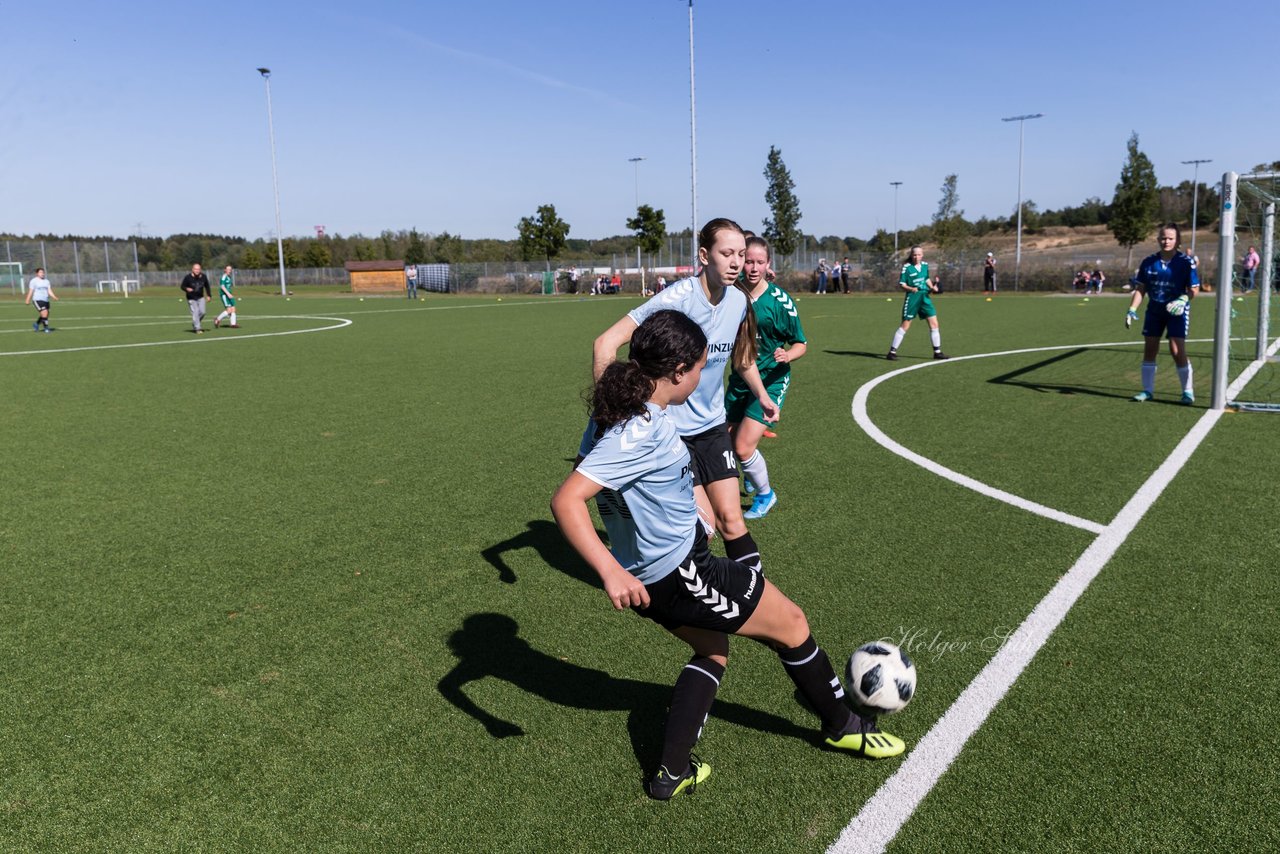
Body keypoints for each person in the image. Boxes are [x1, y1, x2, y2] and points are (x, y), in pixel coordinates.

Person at [554, 310, 905, 801]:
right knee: (793, 624)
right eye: (700, 366)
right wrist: (609, 571)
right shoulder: (637, 430)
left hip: (656, 573)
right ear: (678, 370)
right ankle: (844, 724)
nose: (702, 377)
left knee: (712, 651)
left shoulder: (620, 417)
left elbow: (640, 486)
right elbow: (567, 500)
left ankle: (671, 773)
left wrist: (691, 511)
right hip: (680, 574)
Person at [591, 218, 778, 575]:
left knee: (732, 521)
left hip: (710, 428)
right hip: (670, 435)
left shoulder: (738, 300)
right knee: (700, 531)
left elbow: (740, 357)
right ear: (705, 256)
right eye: (727, 253)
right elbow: (606, 343)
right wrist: (612, 409)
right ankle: (660, 585)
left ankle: (756, 598)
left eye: (741, 253)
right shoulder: (675, 300)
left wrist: (762, 394)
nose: (737, 262)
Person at [726, 236, 806, 520]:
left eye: (760, 262)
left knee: (743, 446)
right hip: (739, 377)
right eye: (749, 261)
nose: (753, 267)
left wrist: (789, 355)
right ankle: (751, 469)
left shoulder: (781, 302)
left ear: (768, 264)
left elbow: (801, 343)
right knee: (728, 440)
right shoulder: (731, 292)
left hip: (771, 379)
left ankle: (765, 494)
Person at [1125, 223, 1199, 404]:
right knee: (1150, 349)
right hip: (1154, 311)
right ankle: (1147, 391)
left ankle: (1187, 392)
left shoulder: (1185, 262)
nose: (1166, 241)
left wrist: (1183, 300)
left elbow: (1194, 289)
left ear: (1177, 240)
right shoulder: (1148, 262)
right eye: (1163, 238)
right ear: (1158, 240)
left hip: (1177, 312)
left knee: (1176, 350)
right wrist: (1132, 309)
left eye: (1170, 238)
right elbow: (1141, 289)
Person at [886, 246, 948, 361]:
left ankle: (937, 352)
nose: (917, 257)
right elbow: (902, 284)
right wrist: (910, 289)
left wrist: (932, 287)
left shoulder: (925, 266)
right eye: (914, 255)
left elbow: (926, 279)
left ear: (922, 255)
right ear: (911, 255)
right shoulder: (907, 268)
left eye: (919, 254)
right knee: (905, 325)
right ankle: (892, 352)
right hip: (913, 298)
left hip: (925, 297)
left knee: (934, 324)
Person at [180, 263, 212, 334]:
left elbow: (207, 286)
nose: (197, 271)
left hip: (200, 297)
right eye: (195, 269)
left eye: (198, 269)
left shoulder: (203, 276)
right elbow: (182, 286)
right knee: (196, 312)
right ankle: (197, 328)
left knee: (203, 312)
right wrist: (186, 288)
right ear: (192, 269)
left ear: (200, 270)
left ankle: (195, 323)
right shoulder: (188, 277)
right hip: (191, 298)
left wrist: (209, 295)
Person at [24, 267, 58, 333]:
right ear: (37, 273)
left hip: (45, 300)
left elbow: (49, 290)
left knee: (45, 314)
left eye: (43, 272)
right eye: (40, 272)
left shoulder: (47, 281)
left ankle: (36, 324)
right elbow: (31, 291)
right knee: (44, 312)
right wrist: (27, 300)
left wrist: (54, 297)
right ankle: (46, 328)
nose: (42, 274)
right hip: (37, 299)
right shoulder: (33, 281)